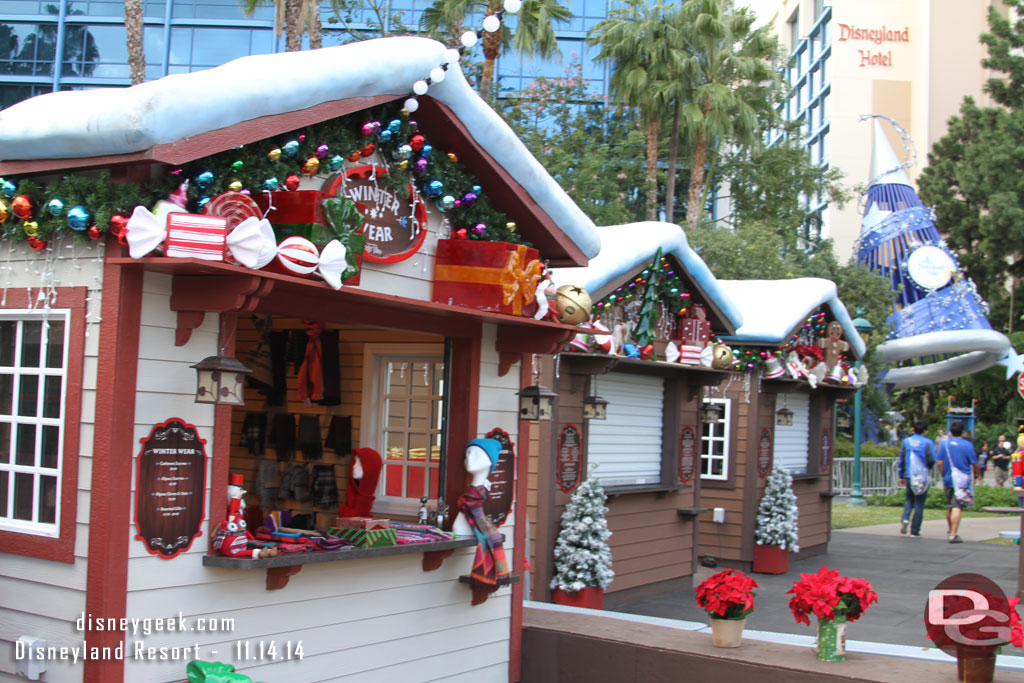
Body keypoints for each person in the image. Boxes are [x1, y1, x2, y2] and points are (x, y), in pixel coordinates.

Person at [936, 420, 980, 544]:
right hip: (961, 481)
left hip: (948, 479)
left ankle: (950, 530)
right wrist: (978, 475)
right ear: (963, 431)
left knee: (950, 506)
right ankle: (953, 534)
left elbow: (939, 462)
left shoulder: (944, 444)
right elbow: (975, 463)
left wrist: (943, 474)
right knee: (957, 506)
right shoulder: (967, 445)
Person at [898, 420, 935, 537]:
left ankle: (905, 518)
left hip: (909, 475)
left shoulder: (906, 442)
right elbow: (932, 459)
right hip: (921, 476)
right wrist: (927, 468)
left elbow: (901, 459)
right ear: (925, 430)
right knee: (919, 503)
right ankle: (915, 530)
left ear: (913, 429)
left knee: (909, 499)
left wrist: (901, 475)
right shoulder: (928, 442)